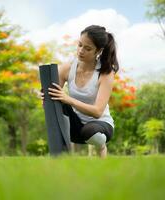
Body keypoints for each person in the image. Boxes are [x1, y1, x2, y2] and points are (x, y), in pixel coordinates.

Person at [41, 25, 119, 158]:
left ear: (98, 51)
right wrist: (45, 97)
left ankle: (101, 146)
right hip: (74, 126)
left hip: (100, 125)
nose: (81, 51)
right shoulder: (67, 68)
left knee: (89, 131)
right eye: (80, 45)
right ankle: (60, 158)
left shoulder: (105, 73)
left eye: (87, 48)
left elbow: (97, 112)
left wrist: (68, 99)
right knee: (55, 101)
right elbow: (52, 99)